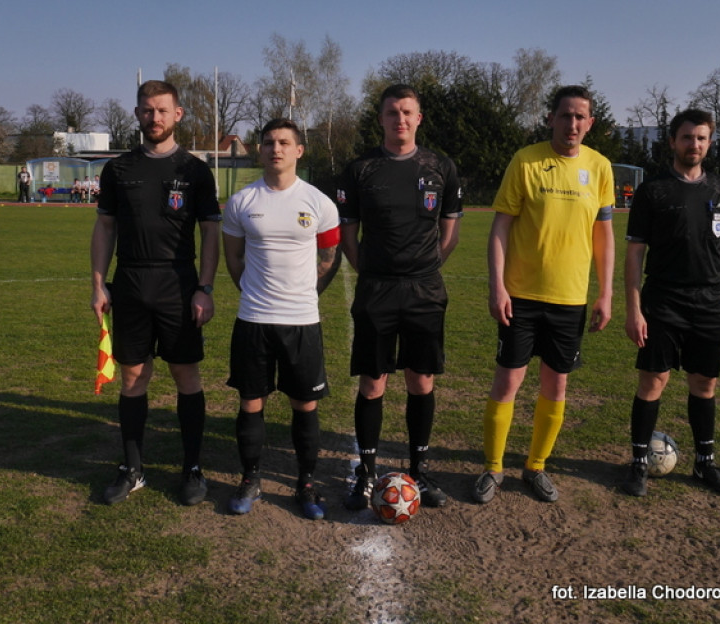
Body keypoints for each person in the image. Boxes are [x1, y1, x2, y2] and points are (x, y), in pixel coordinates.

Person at [474, 85, 614, 504]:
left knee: (556, 387)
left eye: (580, 117)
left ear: (590, 123)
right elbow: (500, 228)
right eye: (565, 115)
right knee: (508, 382)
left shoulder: (600, 167)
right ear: (551, 118)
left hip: (571, 299)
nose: (572, 124)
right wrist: (497, 286)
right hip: (521, 297)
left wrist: (605, 294)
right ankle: (494, 468)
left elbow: (603, 236)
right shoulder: (526, 160)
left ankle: (535, 467)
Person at [91, 79, 221, 506]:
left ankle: (193, 469)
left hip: (178, 284)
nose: (155, 118)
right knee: (132, 378)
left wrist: (204, 288)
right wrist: (98, 283)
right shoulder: (118, 170)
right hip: (130, 282)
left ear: (178, 114)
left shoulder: (195, 171)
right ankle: (133, 469)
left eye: (162, 110)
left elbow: (210, 233)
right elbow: (105, 227)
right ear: (137, 114)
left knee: (186, 376)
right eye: (147, 110)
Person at [338, 83, 462, 510]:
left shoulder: (439, 167)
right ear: (382, 119)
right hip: (376, 289)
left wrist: (424, 266)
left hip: (425, 289)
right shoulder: (360, 170)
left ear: (419, 118)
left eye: (408, 112)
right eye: (392, 113)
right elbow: (348, 237)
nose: (400, 119)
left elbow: (449, 233)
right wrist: (371, 272)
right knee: (373, 383)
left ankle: (419, 471)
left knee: (420, 379)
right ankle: (367, 473)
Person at [620, 108, 720, 498]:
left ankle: (704, 463)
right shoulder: (653, 191)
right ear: (673, 141)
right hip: (663, 300)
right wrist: (633, 307)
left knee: (704, 384)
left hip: (710, 301)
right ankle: (639, 462)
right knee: (653, 381)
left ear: (709, 143)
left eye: (702, 138)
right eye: (688, 137)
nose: (695, 144)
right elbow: (635, 254)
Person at [221, 119, 342, 519]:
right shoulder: (242, 202)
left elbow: (329, 259)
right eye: (269, 142)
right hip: (253, 318)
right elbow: (234, 259)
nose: (276, 148)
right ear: (259, 150)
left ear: (299, 150)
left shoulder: (319, 203)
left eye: (285, 142)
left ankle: (305, 483)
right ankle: (250, 477)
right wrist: (255, 294)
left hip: (302, 321)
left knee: (304, 404)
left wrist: (305, 296)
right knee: (251, 402)